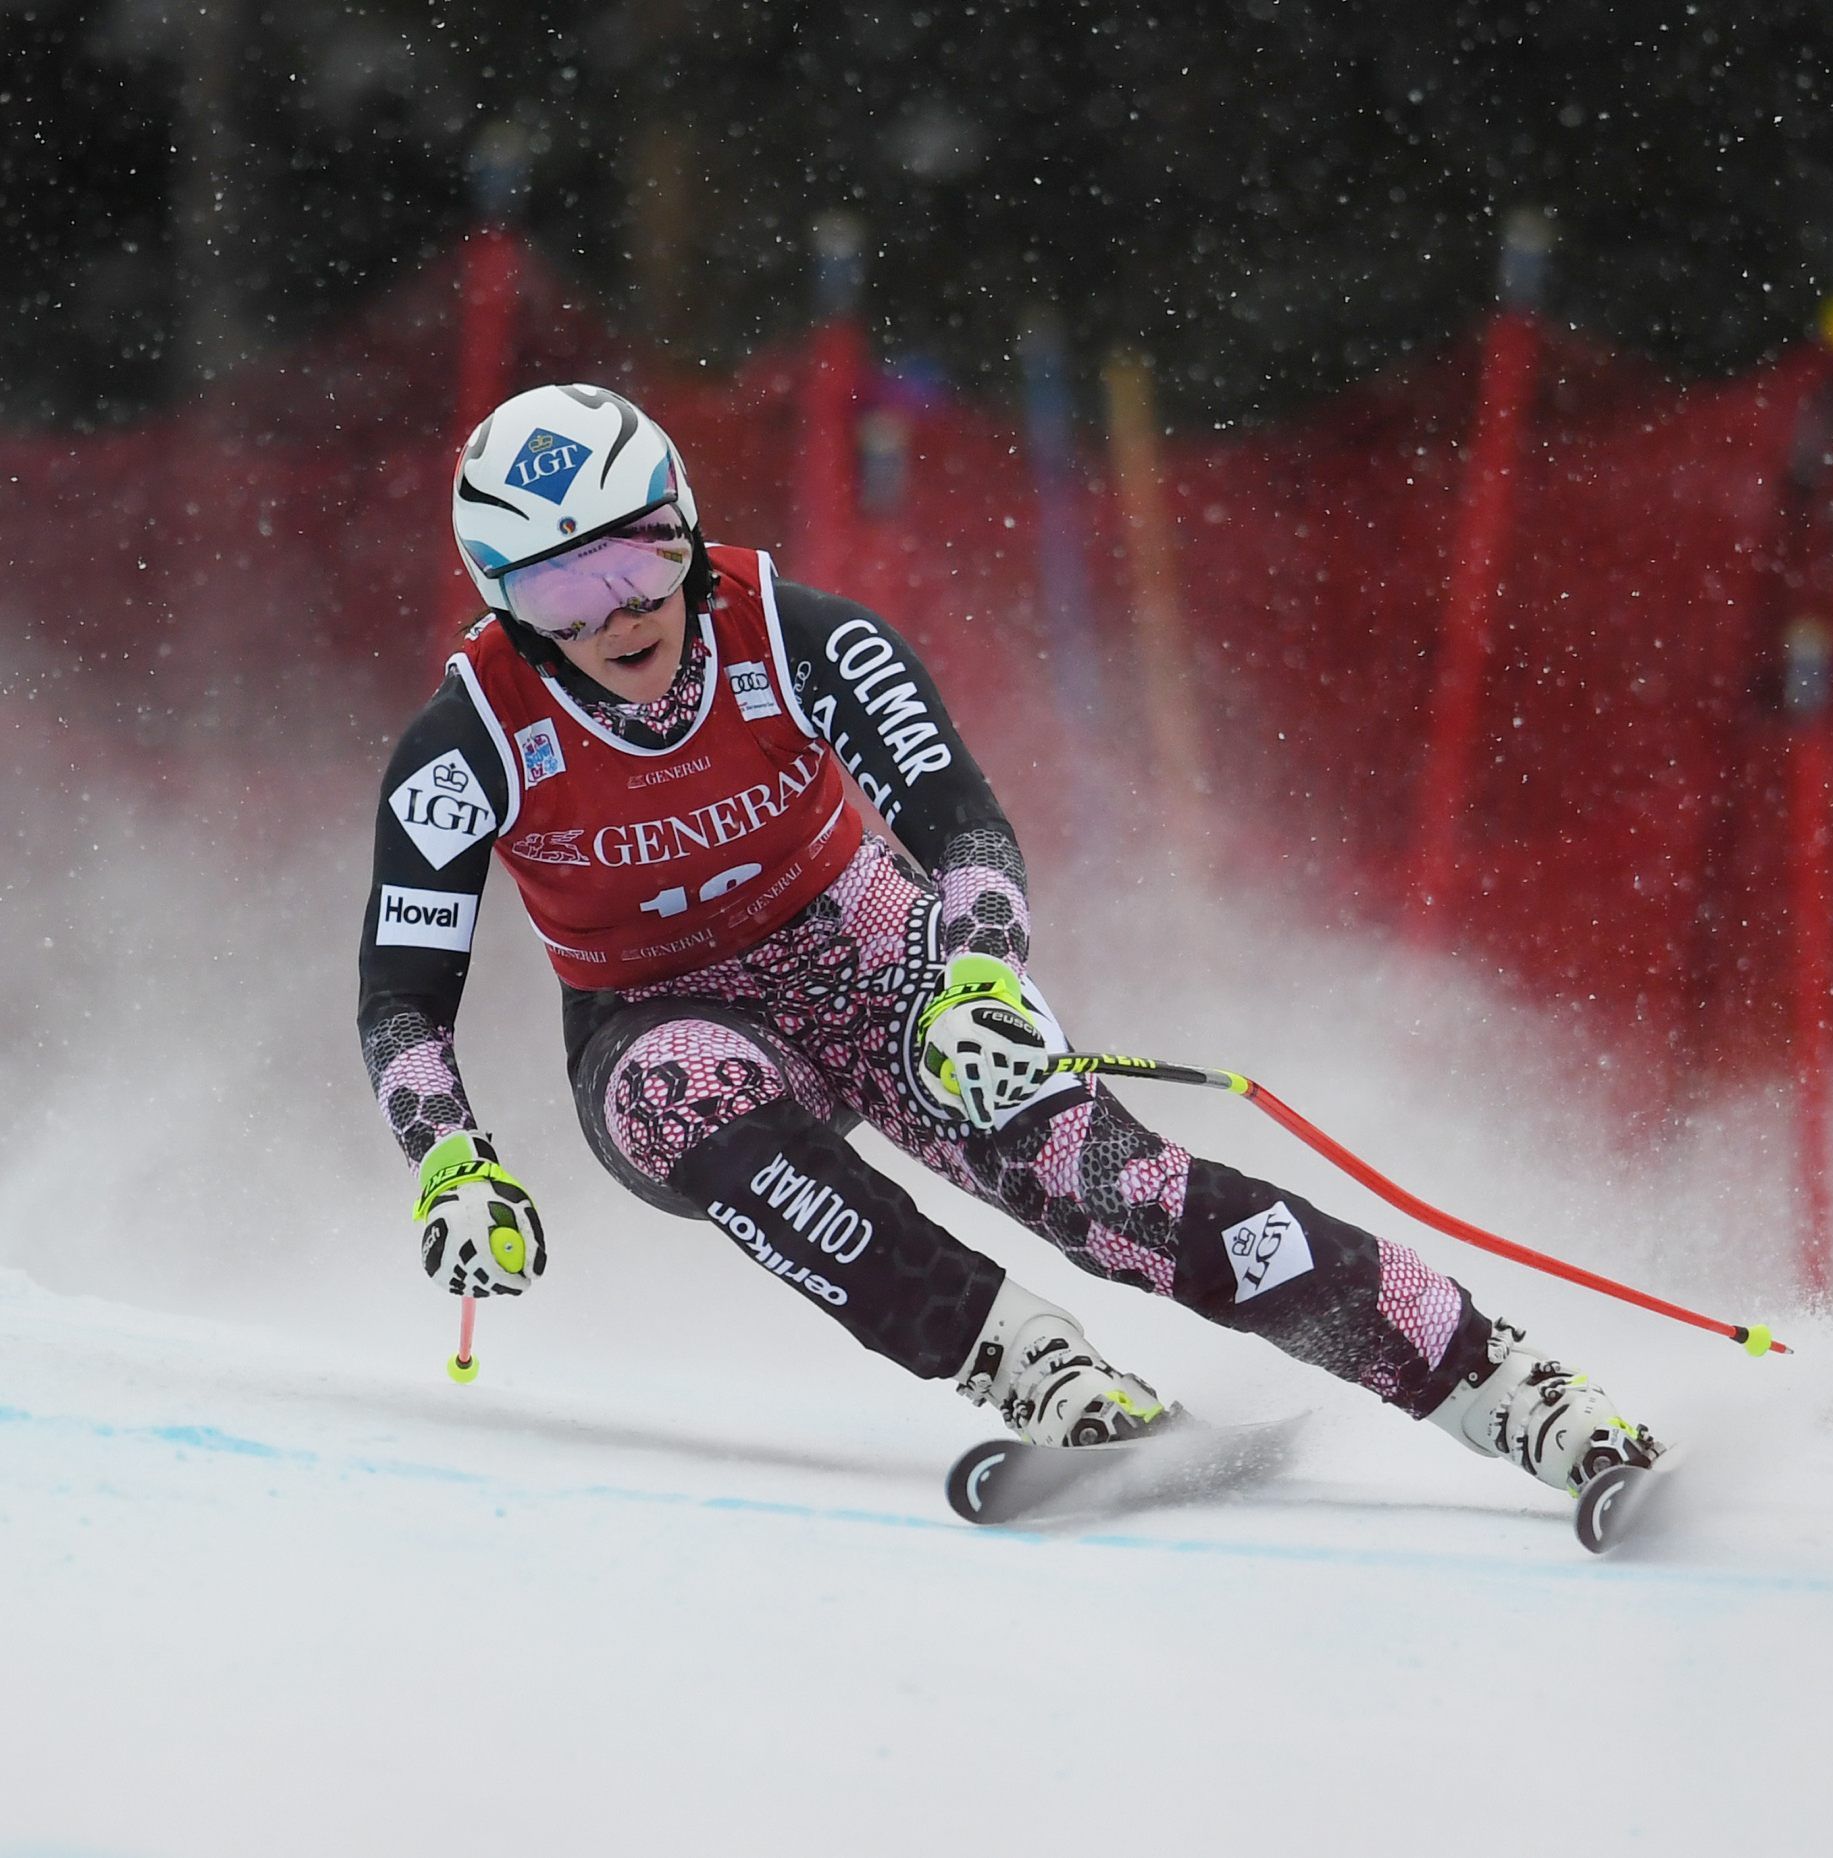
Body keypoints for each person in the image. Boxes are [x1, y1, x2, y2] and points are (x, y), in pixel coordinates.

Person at [358, 382, 1663, 1495]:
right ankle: (1038, 1372)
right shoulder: (467, 740)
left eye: (639, 562)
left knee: (1107, 1191)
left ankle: (1503, 1385)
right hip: (658, 1016)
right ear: (503, 603)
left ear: (687, 527)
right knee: (680, 1095)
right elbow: (405, 992)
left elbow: (959, 826)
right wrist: (451, 1162)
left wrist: (978, 977)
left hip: (864, 947)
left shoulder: (801, 636)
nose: (616, 617)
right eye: (561, 590)